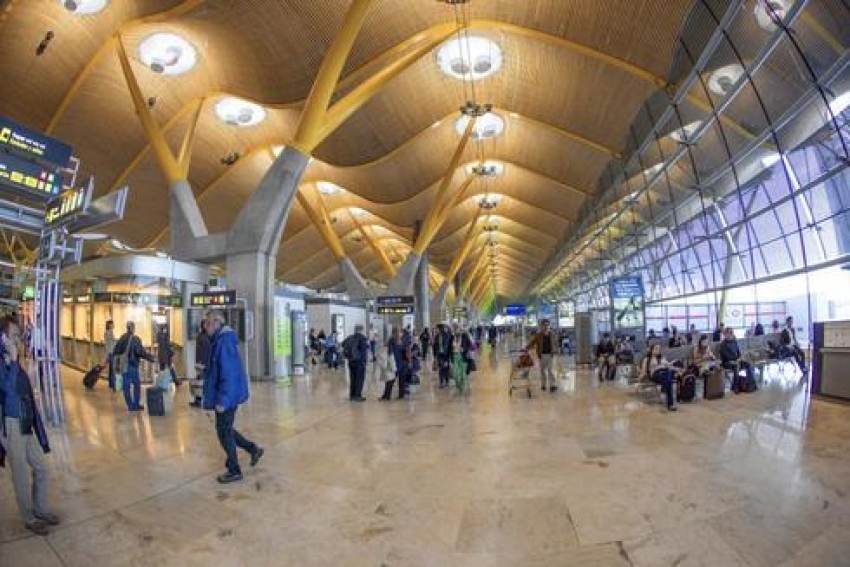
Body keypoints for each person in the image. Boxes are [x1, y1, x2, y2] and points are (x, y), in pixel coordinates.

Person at [0, 317, 58, 535]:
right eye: (15, 335)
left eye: (19, 335)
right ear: (3, 337)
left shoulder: (11, 359)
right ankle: (29, 517)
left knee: (42, 468)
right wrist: (14, 361)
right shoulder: (4, 361)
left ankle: (41, 509)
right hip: (11, 424)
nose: (19, 340)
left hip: (26, 423)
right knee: (21, 476)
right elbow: (7, 389)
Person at [202, 311, 263, 484]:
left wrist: (223, 400)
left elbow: (228, 374)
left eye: (207, 323)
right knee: (226, 429)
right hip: (226, 395)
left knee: (223, 432)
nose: (205, 327)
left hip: (227, 396)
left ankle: (234, 470)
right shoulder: (220, 341)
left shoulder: (224, 342)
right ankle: (253, 449)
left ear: (217, 323)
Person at [113, 322, 155, 412]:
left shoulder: (122, 338)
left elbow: (116, 351)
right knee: (136, 385)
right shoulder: (135, 339)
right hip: (132, 365)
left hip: (123, 365)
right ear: (133, 328)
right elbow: (140, 352)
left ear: (127, 328)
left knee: (126, 386)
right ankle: (135, 405)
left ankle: (130, 405)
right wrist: (150, 357)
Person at [639, 343, 678, 411]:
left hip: (664, 374)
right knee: (669, 379)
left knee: (668, 374)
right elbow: (644, 371)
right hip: (654, 374)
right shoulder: (647, 359)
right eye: (656, 348)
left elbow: (668, 366)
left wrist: (676, 369)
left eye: (659, 349)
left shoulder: (662, 358)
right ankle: (670, 404)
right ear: (652, 350)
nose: (658, 350)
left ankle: (664, 393)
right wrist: (640, 378)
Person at [526, 319, 559, 392]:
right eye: (544, 325)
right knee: (543, 371)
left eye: (547, 325)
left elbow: (555, 343)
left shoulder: (552, 334)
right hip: (542, 355)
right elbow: (532, 342)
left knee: (551, 370)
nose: (546, 327)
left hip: (550, 355)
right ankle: (543, 384)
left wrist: (556, 350)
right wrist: (526, 348)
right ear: (541, 326)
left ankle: (552, 385)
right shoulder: (538, 335)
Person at [718, 328, 755, 393]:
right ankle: (735, 386)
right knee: (736, 366)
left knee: (748, 364)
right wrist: (736, 360)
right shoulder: (723, 345)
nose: (730, 335)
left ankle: (750, 384)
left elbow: (738, 352)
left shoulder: (734, 342)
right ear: (725, 335)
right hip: (727, 362)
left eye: (731, 333)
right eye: (728, 334)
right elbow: (726, 356)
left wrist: (739, 358)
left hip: (736, 360)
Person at [342, 324, 370, 401]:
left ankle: (352, 395)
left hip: (351, 361)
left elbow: (343, 344)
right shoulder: (362, 338)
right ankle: (358, 396)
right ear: (361, 330)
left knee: (353, 378)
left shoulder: (350, 337)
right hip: (360, 362)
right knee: (359, 378)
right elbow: (364, 349)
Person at [381, 328, 410, 400]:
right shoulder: (404, 339)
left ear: (393, 333)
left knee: (390, 380)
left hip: (395, 363)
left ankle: (386, 396)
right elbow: (407, 350)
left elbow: (390, 352)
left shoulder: (391, 340)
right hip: (404, 363)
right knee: (402, 380)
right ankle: (401, 395)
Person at [191, 320, 212, 408]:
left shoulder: (207, 336)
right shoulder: (202, 336)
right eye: (205, 324)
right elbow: (199, 351)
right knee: (199, 382)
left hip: (205, 363)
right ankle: (198, 400)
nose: (206, 326)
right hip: (202, 363)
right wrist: (198, 362)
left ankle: (199, 400)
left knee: (201, 382)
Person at [433, 323, 453, 388]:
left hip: (446, 355)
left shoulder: (447, 335)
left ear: (440, 329)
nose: (436, 330)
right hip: (439, 355)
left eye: (437, 328)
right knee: (441, 369)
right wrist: (435, 356)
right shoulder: (436, 336)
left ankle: (447, 382)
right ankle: (441, 382)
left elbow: (449, 347)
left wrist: (449, 357)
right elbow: (434, 346)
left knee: (446, 369)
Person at [104, 320, 117, 392]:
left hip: (109, 353)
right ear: (109, 325)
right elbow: (110, 344)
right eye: (112, 324)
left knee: (111, 369)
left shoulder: (108, 332)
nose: (113, 325)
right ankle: (114, 386)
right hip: (111, 353)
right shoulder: (109, 333)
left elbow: (108, 344)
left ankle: (111, 384)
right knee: (113, 369)